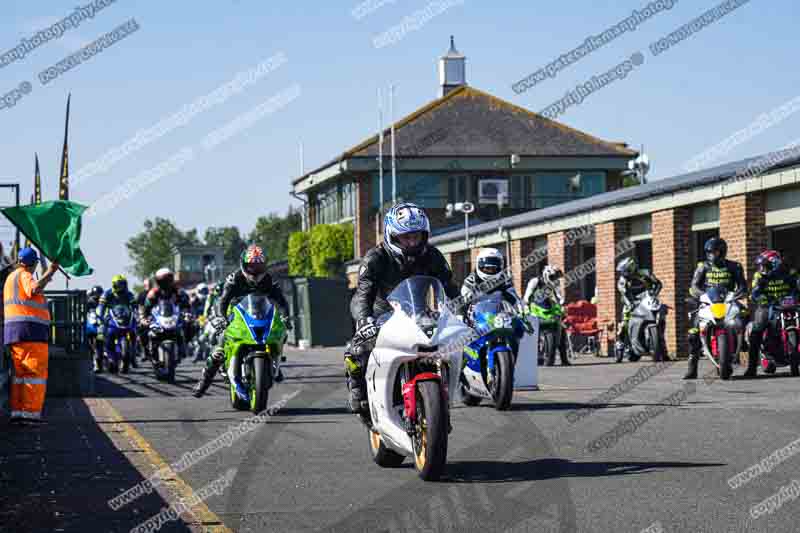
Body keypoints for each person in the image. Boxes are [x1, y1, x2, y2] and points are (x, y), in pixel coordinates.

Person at [344, 202, 460, 414]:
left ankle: (444, 398)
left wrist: (462, 311)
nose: (412, 242)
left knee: (453, 343)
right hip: (380, 312)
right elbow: (363, 294)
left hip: (417, 311)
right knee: (360, 349)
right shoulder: (375, 258)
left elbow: (449, 286)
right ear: (392, 236)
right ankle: (357, 387)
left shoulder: (432, 255)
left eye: (416, 236)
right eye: (405, 237)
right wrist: (364, 320)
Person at [192, 245, 292, 398]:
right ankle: (204, 382)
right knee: (220, 347)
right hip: (236, 314)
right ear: (244, 265)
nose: (256, 271)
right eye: (252, 266)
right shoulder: (234, 279)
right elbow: (222, 301)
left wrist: (286, 317)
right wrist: (221, 317)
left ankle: (274, 363)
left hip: (259, 314)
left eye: (259, 266)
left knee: (281, 333)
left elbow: (281, 302)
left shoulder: (269, 280)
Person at [4, 248, 59, 425]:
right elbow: (34, 289)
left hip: (15, 333)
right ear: (33, 263)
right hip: (31, 333)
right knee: (35, 374)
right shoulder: (25, 275)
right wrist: (50, 272)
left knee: (19, 375)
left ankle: (17, 412)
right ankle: (30, 415)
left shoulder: (10, 278)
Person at [684, 237, 747, 379]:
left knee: (745, 318)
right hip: (708, 301)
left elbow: (742, 285)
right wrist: (701, 295)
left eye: (715, 252)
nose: (712, 255)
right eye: (709, 252)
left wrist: (739, 293)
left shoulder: (734, 266)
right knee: (694, 332)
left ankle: (744, 348)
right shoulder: (703, 266)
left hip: (728, 301)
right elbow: (694, 285)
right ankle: (692, 368)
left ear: (722, 252)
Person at [744, 250, 800, 378]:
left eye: (765, 265)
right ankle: (751, 367)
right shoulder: (759, 276)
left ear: (775, 264)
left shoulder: (790, 273)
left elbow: (797, 288)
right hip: (768, 306)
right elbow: (754, 293)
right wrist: (760, 296)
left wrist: (796, 295)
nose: (762, 268)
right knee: (757, 329)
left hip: (789, 305)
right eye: (761, 266)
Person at [614, 257, 663, 363]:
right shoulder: (623, 280)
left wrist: (654, 294)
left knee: (661, 317)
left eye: (625, 270)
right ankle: (620, 343)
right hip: (632, 301)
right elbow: (624, 293)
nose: (623, 273)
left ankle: (661, 347)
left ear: (631, 268)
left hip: (647, 300)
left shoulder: (645, 273)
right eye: (622, 271)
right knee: (624, 322)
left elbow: (658, 284)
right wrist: (629, 303)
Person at [142, 268, 192, 364]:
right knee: (142, 328)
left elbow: (186, 304)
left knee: (191, 325)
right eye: (163, 281)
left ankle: (184, 346)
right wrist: (144, 318)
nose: (166, 283)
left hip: (173, 317)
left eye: (168, 281)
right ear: (158, 281)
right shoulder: (153, 293)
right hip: (158, 318)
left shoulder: (178, 291)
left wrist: (187, 314)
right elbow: (146, 307)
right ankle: (147, 351)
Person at [524, 265, 570, 366]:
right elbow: (527, 295)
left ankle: (564, 358)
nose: (555, 279)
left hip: (549, 307)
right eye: (553, 277)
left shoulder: (555, 284)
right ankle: (527, 355)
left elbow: (559, 296)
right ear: (546, 274)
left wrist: (561, 304)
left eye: (556, 277)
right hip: (535, 308)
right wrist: (527, 303)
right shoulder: (535, 281)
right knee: (528, 328)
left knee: (562, 328)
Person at [97, 275, 138, 370]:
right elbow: (101, 307)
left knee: (134, 332)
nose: (121, 287)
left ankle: (133, 354)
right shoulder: (107, 294)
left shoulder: (129, 294)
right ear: (114, 285)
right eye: (119, 285)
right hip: (110, 318)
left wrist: (137, 315)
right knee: (100, 334)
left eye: (123, 285)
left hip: (126, 318)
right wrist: (100, 317)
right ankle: (99, 358)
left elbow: (134, 306)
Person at [86, 285, 104, 372]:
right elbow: (83, 309)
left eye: (99, 294)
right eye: (95, 294)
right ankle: (94, 361)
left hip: (101, 324)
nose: (97, 296)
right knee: (89, 341)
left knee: (101, 341)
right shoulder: (88, 301)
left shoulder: (103, 302)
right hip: (91, 323)